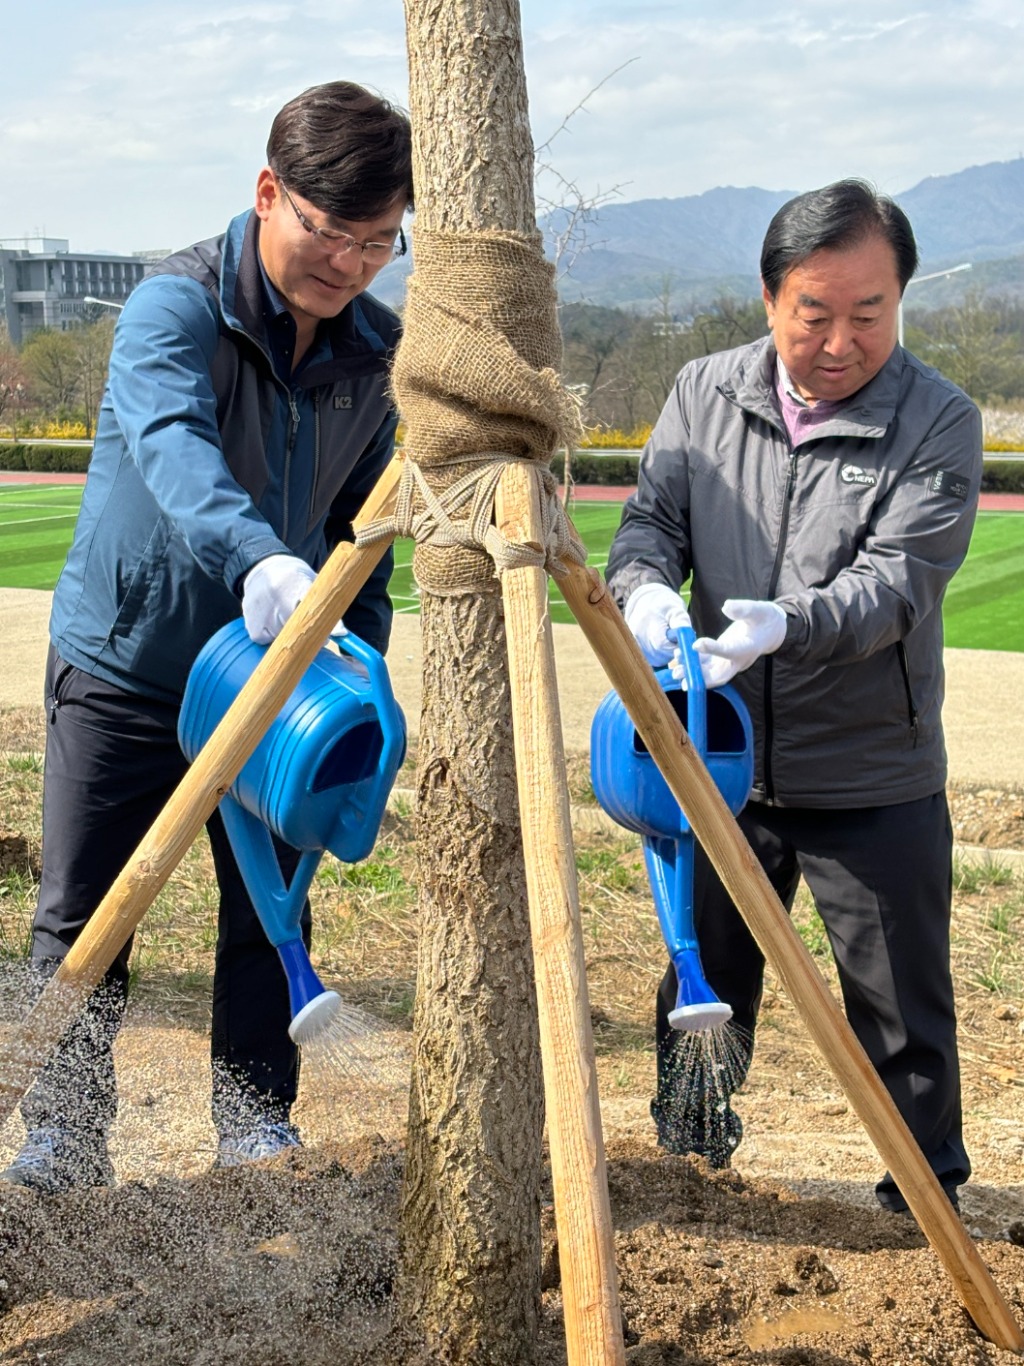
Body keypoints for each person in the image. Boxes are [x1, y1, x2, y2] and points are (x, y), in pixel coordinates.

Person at [2, 81, 413, 1192]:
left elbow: (365, 528)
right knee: (83, 910)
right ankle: (65, 1137)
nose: (352, 263)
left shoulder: (377, 355)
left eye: (380, 242)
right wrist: (261, 561)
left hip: (275, 685)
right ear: (269, 191)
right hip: (130, 662)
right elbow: (176, 446)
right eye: (332, 232)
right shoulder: (171, 307)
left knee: (265, 909)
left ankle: (252, 1126)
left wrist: (350, 651)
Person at [607, 179, 981, 1214]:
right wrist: (640, 590)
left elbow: (896, 583)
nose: (839, 338)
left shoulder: (938, 419)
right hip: (718, 760)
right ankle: (685, 1181)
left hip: (872, 770)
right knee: (699, 989)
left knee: (902, 1012)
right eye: (814, 311)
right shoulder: (701, 391)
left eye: (870, 312)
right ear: (769, 297)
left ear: (900, 302)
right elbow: (650, 524)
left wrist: (785, 622)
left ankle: (922, 1204)